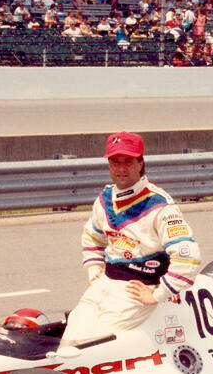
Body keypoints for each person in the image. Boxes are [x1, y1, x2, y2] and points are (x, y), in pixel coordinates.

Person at [60, 131, 201, 345]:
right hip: (105, 283)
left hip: (137, 290)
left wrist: (159, 294)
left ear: (140, 163)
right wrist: (94, 268)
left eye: (128, 161)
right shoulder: (105, 199)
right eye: (115, 162)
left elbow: (188, 257)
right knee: (69, 341)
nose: (121, 168)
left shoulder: (160, 204)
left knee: (87, 346)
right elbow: (91, 235)